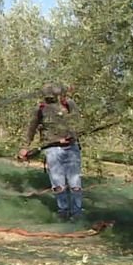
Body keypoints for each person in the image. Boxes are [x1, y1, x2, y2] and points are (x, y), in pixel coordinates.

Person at [18, 84, 83, 220]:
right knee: (58, 183)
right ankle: (63, 211)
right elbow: (31, 128)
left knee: (75, 182)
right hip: (52, 149)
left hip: (71, 148)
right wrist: (25, 146)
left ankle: (77, 212)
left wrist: (71, 135)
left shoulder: (69, 105)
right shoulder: (40, 109)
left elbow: (77, 122)